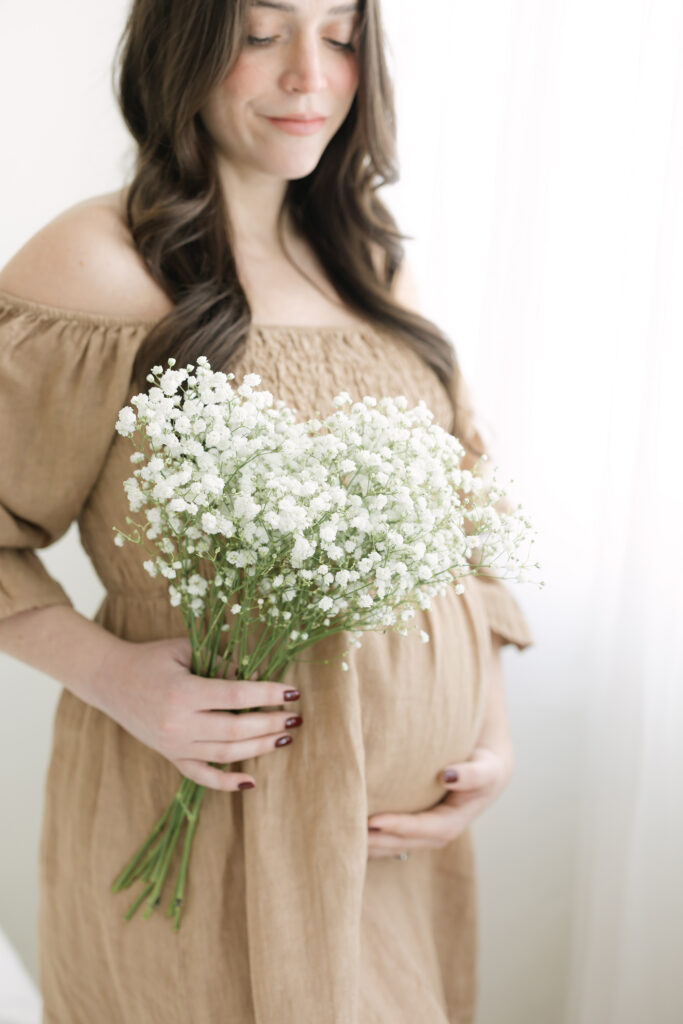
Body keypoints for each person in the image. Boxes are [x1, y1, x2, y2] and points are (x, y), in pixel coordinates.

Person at [0, 0, 533, 1020]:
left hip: (390, 856)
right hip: (208, 839)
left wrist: (487, 736)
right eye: (260, 33)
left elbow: (467, 519)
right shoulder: (99, 265)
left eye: (338, 34)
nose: (309, 76)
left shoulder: (372, 264)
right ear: (182, 47)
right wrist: (111, 674)